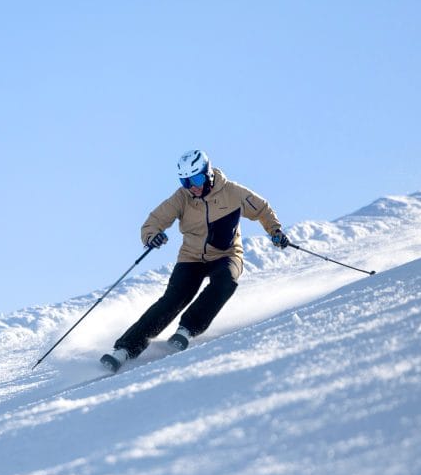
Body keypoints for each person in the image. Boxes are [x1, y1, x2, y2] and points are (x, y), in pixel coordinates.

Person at [100, 149, 290, 372]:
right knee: (172, 300)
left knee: (226, 281)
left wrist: (274, 230)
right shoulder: (182, 198)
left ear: (207, 173)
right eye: (186, 181)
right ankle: (124, 350)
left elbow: (262, 209)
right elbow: (153, 221)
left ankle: (187, 329)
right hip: (191, 258)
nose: (193, 186)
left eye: (197, 179)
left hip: (226, 254)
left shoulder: (232, 192)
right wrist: (152, 236)